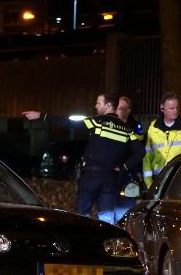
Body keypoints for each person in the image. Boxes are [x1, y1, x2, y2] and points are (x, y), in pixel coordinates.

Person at [22, 93, 144, 224]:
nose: (95, 106)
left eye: (98, 103)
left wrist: (42, 115)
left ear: (108, 105)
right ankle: (106, 242)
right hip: (110, 178)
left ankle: (84, 241)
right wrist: (123, 167)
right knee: (107, 218)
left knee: (82, 215)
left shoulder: (97, 122)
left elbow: (68, 123)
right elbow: (140, 152)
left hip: (90, 176)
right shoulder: (126, 129)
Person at [114, 96, 143, 222]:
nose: (118, 111)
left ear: (128, 110)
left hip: (130, 172)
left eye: (121, 108)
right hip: (113, 173)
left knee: (126, 211)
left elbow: (139, 149)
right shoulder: (112, 125)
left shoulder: (135, 126)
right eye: (118, 108)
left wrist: (131, 168)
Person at [143, 92, 181, 188]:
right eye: (172, 108)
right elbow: (147, 157)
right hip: (158, 181)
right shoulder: (153, 128)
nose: (175, 111)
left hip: (178, 180)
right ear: (162, 108)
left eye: (177, 107)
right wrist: (149, 184)